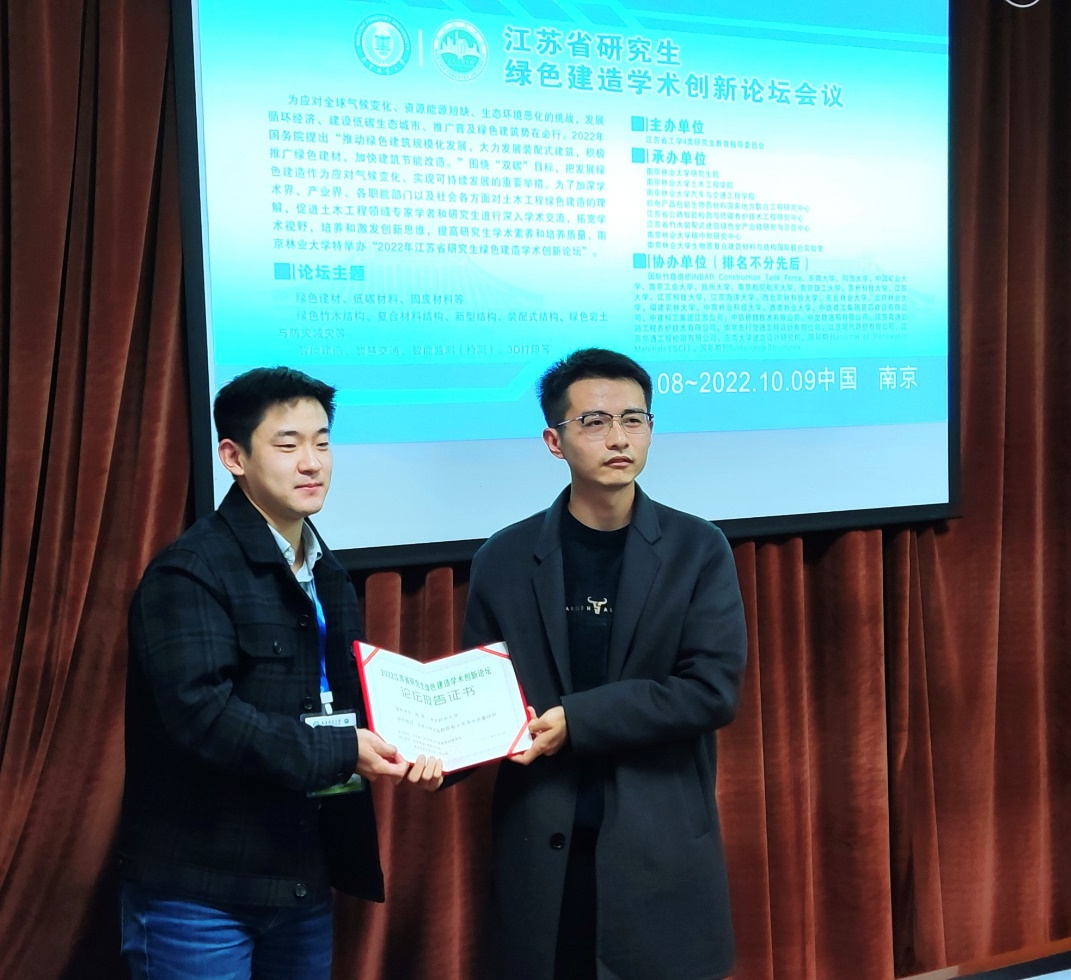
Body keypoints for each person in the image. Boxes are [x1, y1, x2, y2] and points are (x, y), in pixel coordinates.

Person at [119, 366, 440, 980]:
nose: (312, 463)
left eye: (322, 443)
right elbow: (204, 718)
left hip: (300, 875)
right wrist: (343, 751)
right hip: (201, 889)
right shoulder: (190, 572)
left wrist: (431, 741)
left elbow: (349, 700)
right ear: (233, 457)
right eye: (288, 445)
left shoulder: (327, 573)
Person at [462, 348, 748, 980]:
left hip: (658, 848)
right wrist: (440, 749)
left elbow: (711, 691)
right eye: (594, 422)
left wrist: (578, 720)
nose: (619, 438)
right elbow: (483, 694)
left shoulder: (698, 549)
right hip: (543, 853)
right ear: (554, 442)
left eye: (634, 419)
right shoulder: (503, 559)